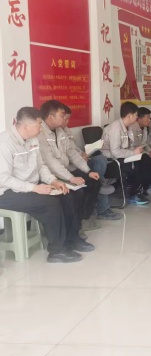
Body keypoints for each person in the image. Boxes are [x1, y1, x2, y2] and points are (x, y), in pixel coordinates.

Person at [0, 107, 91, 263]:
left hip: (31, 185)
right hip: (7, 192)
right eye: (38, 125)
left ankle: (72, 238)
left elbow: (41, 166)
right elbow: (3, 178)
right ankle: (57, 251)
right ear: (26, 126)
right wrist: (35, 188)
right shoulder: (5, 143)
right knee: (50, 204)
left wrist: (53, 181)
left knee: (69, 194)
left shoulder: (32, 139)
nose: (41, 128)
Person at [38, 100, 102, 238]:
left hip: (65, 170)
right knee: (76, 193)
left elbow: (72, 152)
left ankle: (83, 218)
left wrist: (88, 171)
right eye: (62, 115)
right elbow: (50, 162)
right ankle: (74, 229)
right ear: (51, 117)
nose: (65, 118)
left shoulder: (60, 131)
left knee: (93, 181)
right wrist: (71, 178)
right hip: (51, 176)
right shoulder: (40, 133)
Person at [61, 106, 120, 225]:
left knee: (100, 159)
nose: (67, 122)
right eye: (65, 119)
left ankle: (100, 183)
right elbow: (63, 157)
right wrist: (78, 158)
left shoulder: (66, 130)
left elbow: (73, 148)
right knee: (95, 178)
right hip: (70, 167)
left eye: (68, 119)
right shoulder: (51, 135)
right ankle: (102, 206)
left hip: (80, 161)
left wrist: (82, 153)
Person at [101, 101, 148, 205]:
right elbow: (115, 152)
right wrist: (133, 153)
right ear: (129, 115)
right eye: (136, 115)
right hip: (111, 161)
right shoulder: (116, 128)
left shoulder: (128, 127)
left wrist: (136, 151)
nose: (137, 117)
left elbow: (129, 145)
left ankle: (138, 190)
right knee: (138, 166)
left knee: (145, 160)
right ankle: (131, 194)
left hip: (122, 157)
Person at [129, 107, 151, 195]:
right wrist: (147, 153)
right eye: (147, 118)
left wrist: (150, 151)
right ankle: (137, 190)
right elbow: (134, 146)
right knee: (146, 161)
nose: (149, 120)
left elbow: (144, 144)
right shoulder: (132, 128)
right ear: (139, 119)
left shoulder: (144, 128)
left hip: (140, 152)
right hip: (132, 154)